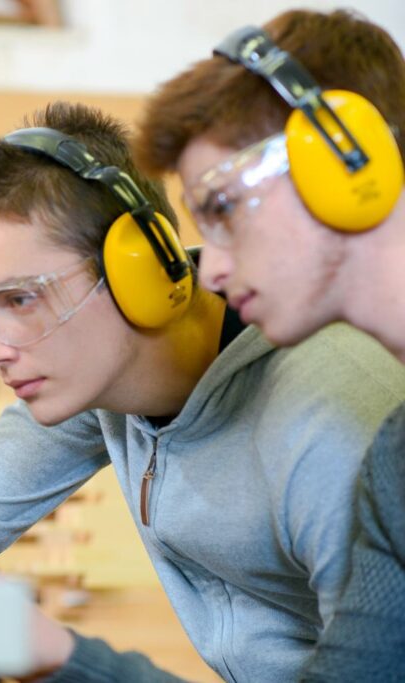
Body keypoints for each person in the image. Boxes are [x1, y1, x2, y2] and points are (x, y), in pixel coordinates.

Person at [0, 101, 405, 682]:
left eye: (19, 300)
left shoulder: (334, 422)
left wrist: (57, 656)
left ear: (144, 265)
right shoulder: (97, 387)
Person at [136, 9, 405, 681]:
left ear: (348, 159)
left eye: (223, 207)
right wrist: (61, 655)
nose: (210, 269)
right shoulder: (395, 461)